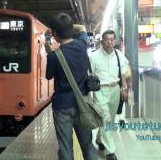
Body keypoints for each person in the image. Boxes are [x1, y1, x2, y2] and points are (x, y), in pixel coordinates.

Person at [45, 13, 97, 160]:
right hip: (83, 104)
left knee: (65, 147)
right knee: (87, 145)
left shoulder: (54, 56)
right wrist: (65, 27)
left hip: (62, 107)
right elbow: (81, 28)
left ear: (55, 34)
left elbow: (49, 76)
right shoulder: (82, 45)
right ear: (69, 30)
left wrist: (49, 53)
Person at [89, 30, 129, 160]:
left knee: (110, 120)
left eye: (112, 39)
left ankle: (100, 140)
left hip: (115, 91)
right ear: (102, 41)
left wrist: (124, 88)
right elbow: (90, 75)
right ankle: (110, 152)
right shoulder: (94, 56)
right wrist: (90, 95)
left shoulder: (118, 55)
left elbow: (123, 72)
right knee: (105, 119)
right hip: (100, 91)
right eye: (107, 39)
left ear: (115, 41)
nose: (110, 42)